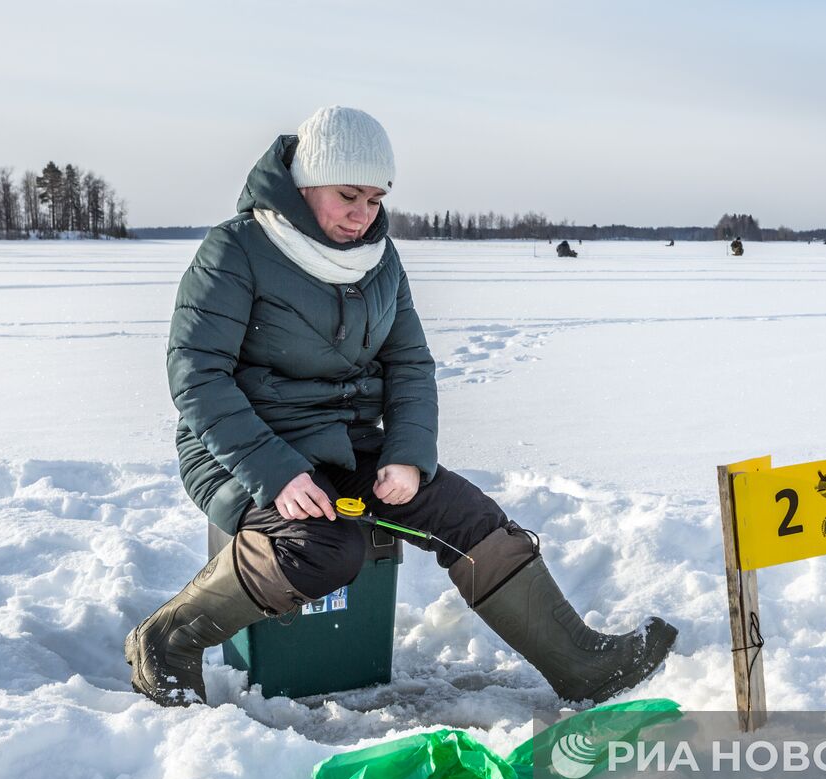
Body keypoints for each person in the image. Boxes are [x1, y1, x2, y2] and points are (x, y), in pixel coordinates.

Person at [124, 106, 676, 708]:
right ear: (305, 182)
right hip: (241, 451)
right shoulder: (236, 249)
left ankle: (581, 665)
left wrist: (408, 454)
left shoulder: (380, 259)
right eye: (348, 196)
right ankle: (166, 640)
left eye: (375, 198)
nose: (363, 214)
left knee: (470, 518)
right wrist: (277, 471)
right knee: (326, 547)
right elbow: (198, 377)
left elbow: (411, 365)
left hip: (348, 443)